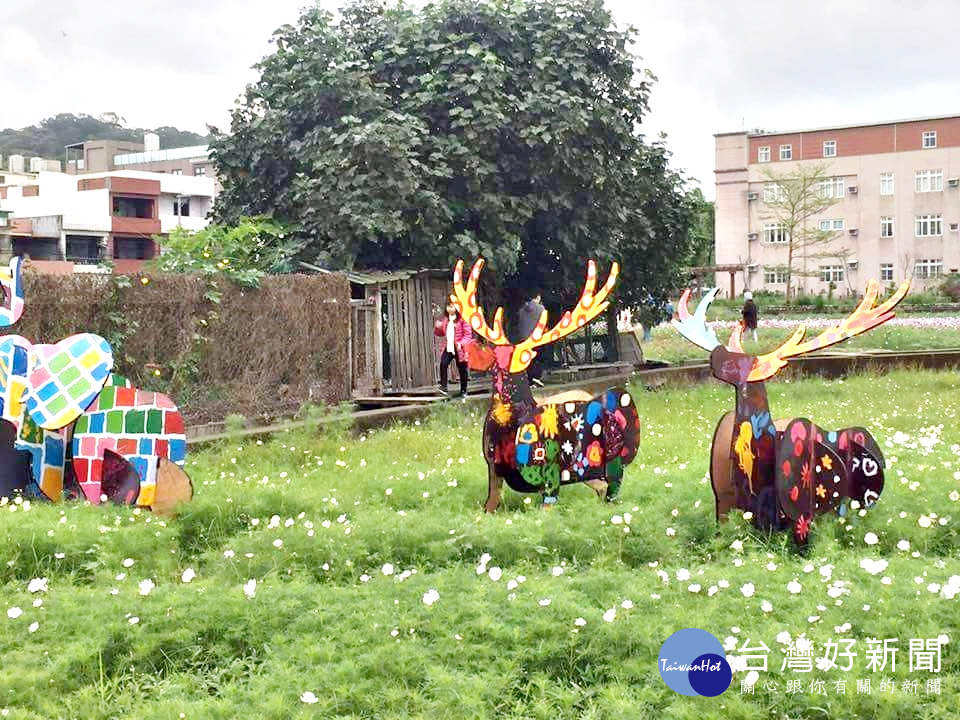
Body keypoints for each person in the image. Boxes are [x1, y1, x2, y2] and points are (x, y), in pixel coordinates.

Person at [434, 301, 474, 398]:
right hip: (449, 346)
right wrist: (437, 327)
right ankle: (444, 387)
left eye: (452, 306)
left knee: (462, 369)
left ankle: (463, 391)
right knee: (443, 364)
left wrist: (461, 343)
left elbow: (468, 335)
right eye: (448, 306)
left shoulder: (463, 319)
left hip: (460, 348)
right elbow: (441, 333)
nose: (450, 309)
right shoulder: (446, 319)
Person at [516, 289, 546, 387]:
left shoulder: (521, 310)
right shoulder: (541, 309)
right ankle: (536, 378)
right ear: (538, 297)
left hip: (523, 339)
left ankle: (529, 380)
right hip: (536, 339)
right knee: (538, 358)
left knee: (527, 360)